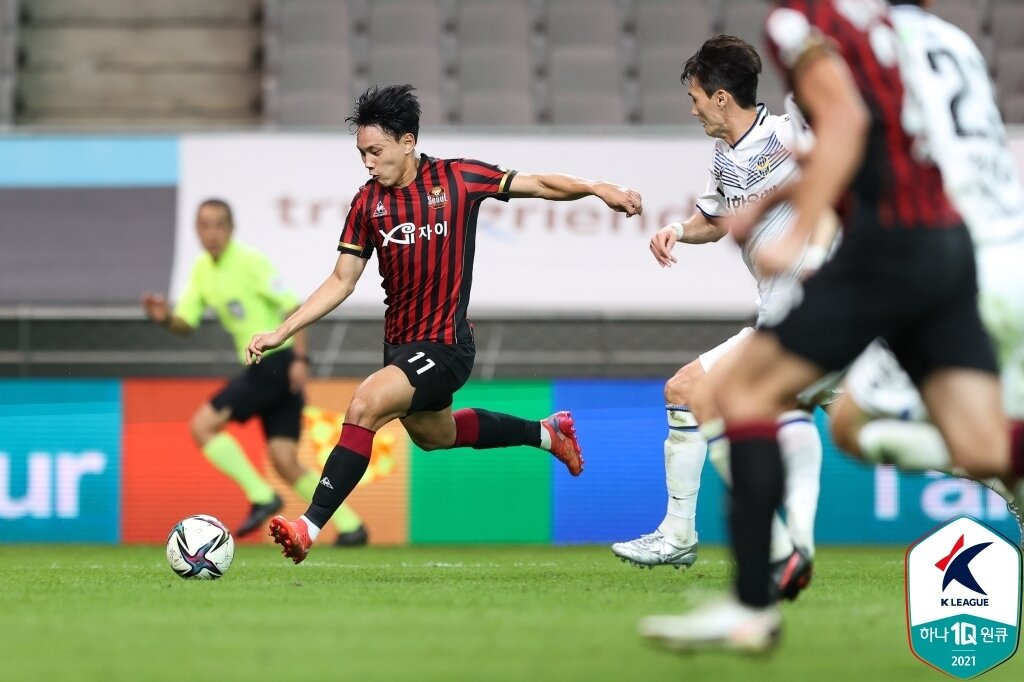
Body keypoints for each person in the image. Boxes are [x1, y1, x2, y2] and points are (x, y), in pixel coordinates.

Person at [640, 0, 1024, 652]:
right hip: (967, 246)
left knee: (738, 393)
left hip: (891, 246)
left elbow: (844, 126)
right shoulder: (946, 40)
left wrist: (799, 231)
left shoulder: (814, 22)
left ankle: (754, 599)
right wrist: (775, 202)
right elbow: (877, 143)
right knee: (969, 442)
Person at [246, 83, 644, 564]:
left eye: (375, 151)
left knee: (365, 404)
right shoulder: (367, 203)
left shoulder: (458, 179)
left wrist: (598, 188)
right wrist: (283, 331)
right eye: (361, 154)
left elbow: (539, 184)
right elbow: (341, 280)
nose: (367, 163)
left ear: (407, 142)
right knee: (436, 436)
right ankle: (546, 433)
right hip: (400, 347)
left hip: (447, 345)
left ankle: (308, 527)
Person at [610, 36, 827, 602]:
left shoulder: (791, 133)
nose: (693, 109)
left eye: (696, 97)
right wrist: (677, 230)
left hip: (810, 317)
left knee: (686, 391)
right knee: (894, 436)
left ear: (722, 97)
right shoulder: (724, 157)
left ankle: (687, 537)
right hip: (795, 323)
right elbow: (716, 220)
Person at [827, 0, 1024, 543]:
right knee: (1001, 437)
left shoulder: (867, 47)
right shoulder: (959, 44)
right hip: (1014, 252)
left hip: (949, 264)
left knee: (849, 426)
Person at [143, 198, 371, 544]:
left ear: (231, 228)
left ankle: (262, 496)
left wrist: (300, 359)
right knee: (284, 460)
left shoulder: (249, 261)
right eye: (204, 225)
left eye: (218, 225)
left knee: (202, 426)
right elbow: (186, 323)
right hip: (267, 369)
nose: (211, 233)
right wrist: (165, 319)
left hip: (274, 361)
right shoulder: (202, 270)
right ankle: (352, 527)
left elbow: (292, 306)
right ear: (196, 230)